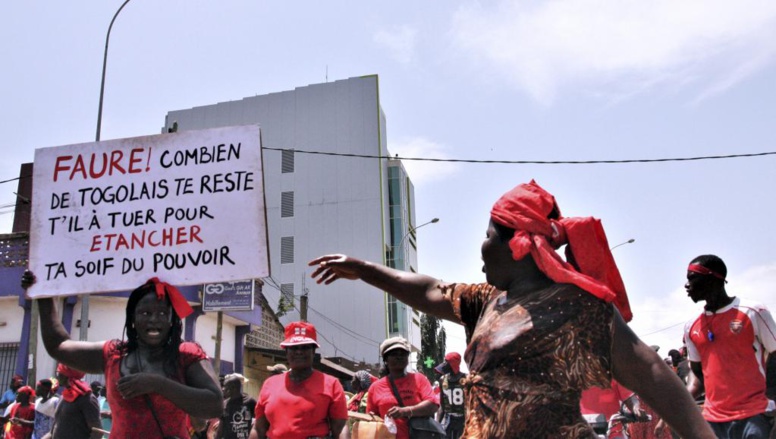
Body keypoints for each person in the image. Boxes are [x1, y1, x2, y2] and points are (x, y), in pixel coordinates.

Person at [309, 180, 715, 438]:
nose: (481, 246)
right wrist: (364, 270)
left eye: (488, 235)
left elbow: (649, 371)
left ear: (518, 246)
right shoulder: (488, 300)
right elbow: (431, 290)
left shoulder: (577, 306)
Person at [22, 273, 224, 439]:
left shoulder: (186, 355)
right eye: (145, 313)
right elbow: (58, 346)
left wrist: (157, 384)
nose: (154, 320)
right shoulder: (113, 354)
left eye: (162, 314)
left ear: (172, 320)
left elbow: (214, 404)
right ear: (133, 319)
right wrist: (43, 295)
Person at [683, 254, 776, 438]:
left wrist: (772, 401)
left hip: (755, 416)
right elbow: (698, 374)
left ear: (712, 278)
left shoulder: (753, 312)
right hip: (713, 422)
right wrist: (677, 404)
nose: (686, 285)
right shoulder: (691, 326)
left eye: (692, 278)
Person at [250, 321, 348, 439]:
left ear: (313, 351)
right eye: (294, 347)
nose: (299, 351)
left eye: (305, 347)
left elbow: (340, 428)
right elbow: (259, 429)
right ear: (286, 352)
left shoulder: (331, 385)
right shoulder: (270, 384)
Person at [365, 337, 439, 439]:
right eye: (394, 354)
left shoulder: (419, 379)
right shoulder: (375, 388)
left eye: (403, 354)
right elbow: (371, 419)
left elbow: (433, 404)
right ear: (386, 359)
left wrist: (406, 411)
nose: (399, 357)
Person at [580, 379, 648, 439]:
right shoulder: (573, 375)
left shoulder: (613, 374)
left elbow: (629, 397)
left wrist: (636, 408)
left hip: (612, 432)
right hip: (580, 432)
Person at [49, 364, 101, 439]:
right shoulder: (63, 396)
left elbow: (97, 432)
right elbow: (53, 430)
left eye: (59, 373)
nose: (57, 377)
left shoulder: (86, 398)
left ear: (68, 376)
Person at [434, 352, 466, 439]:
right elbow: (442, 405)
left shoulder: (466, 379)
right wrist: (437, 424)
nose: (444, 364)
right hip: (448, 420)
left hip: (463, 419)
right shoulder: (442, 380)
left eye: (446, 362)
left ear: (453, 364)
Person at [215, 373, 256, 439]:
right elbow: (220, 429)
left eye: (225, 386)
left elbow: (260, 420)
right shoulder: (225, 404)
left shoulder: (249, 401)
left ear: (233, 388)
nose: (223, 389)